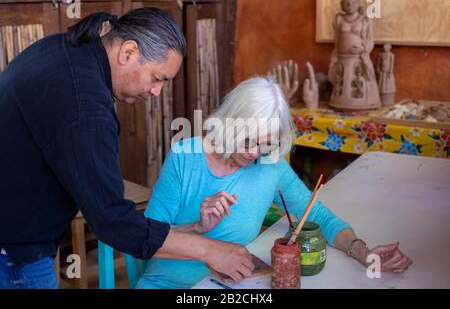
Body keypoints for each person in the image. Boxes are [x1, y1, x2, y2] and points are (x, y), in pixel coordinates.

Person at [0, 8, 254, 289]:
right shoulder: (86, 108)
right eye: (157, 78)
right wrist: (211, 251)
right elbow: (113, 222)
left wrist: (193, 230)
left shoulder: (65, 49)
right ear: (129, 52)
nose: (157, 92)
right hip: (14, 251)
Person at [136, 77, 412, 289]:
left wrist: (362, 252)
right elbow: (146, 239)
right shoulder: (186, 157)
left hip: (233, 285)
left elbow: (315, 214)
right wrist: (197, 226)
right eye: (248, 141)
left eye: (266, 144)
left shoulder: (270, 163)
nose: (255, 153)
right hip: (167, 284)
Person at [328, 0, 381, 109]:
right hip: (343, 59)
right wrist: (334, 58)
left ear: (358, 5)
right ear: (342, 6)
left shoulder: (365, 20)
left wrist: (364, 49)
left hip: (359, 59)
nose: (350, 4)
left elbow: (370, 40)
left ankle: (363, 103)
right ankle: (342, 103)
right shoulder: (339, 19)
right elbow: (336, 40)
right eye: (346, 2)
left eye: (353, 2)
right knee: (341, 85)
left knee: (358, 84)